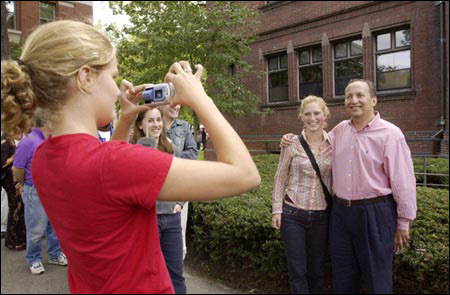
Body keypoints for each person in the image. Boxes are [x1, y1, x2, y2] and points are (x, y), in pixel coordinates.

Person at [1, 20, 260, 294]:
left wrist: (124, 120)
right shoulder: (114, 163)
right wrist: (200, 98)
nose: (116, 90)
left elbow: (100, 183)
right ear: (86, 77)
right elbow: (245, 174)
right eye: (112, 77)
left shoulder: (43, 158)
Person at [282, 79, 416, 294]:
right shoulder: (339, 131)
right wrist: (290, 139)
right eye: (348, 96)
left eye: (359, 95)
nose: (353, 100)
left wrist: (403, 222)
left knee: (377, 280)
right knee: (342, 278)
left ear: (373, 100)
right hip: (341, 214)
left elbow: (404, 182)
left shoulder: (391, 134)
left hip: (375, 213)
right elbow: (314, 140)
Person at [272, 96, 331, 294]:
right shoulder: (291, 143)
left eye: (316, 113)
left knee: (316, 271)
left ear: (325, 115)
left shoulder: (334, 144)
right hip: (293, 215)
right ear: (301, 117)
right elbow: (280, 176)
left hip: (321, 216)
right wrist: (277, 210)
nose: (312, 118)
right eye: (307, 114)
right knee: (297, 271)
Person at [131, 107, 187, 294]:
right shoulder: (132, 150)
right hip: (147, 219)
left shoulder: (171, 147)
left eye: (158, 120)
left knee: (175, 273)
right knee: (148, 273)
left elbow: (183, 180)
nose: (156, 125)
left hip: (171, 218)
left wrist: (180, 203)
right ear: (140, 124)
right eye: (150, 121)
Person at [12, 114, 67, 275]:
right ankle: (34, 259)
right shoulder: (28, 141)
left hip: (52, 189)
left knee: (54, 227)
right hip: (34, 190)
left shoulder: (51, 139)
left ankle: (55, 254)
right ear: (47, 122)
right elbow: (17, 168)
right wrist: (23, 184)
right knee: (36, 229)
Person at [160, 104, 198, 261]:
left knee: (179, 243)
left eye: (178, 102)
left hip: (178, 191)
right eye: (170, 102)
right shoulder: (154, 124)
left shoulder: (184, 127)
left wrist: (171, 149)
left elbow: (193, 154)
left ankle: (175, 279)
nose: (175, 106)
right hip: (158, 191)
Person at [1, 132, 26, 250]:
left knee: (16, 206)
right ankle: (14, 239)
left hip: (9, 178)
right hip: (8, 178)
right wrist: (15, 157)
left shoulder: (7, 141)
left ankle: (15, 238)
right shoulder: (5, 142)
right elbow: (2, 162)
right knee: (16, 206)